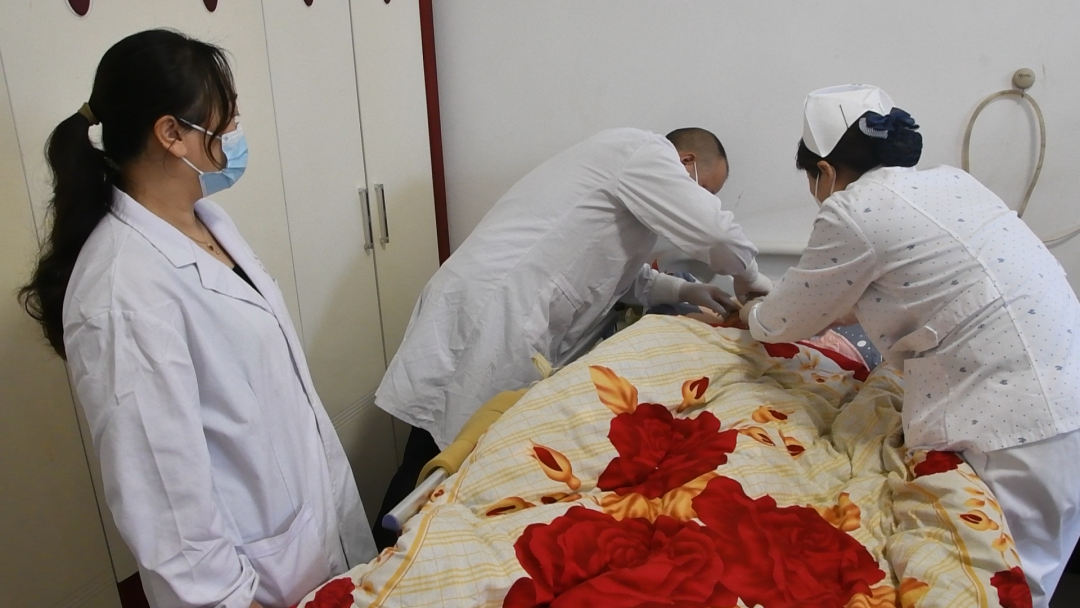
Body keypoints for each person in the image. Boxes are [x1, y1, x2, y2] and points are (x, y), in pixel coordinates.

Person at [18, 30, 375, 608]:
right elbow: (163, 500)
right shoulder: (121, 292)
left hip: (306, 539)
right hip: (245, 585)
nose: (235, 131)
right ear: (171, 133)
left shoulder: (207, 224)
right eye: (226, 118)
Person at [739, 84, 1080, 606]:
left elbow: (781, 321)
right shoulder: (953, 182)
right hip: (1065, 390)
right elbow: (899, 288)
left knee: (1000, 582)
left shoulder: (852, 210)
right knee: (1040, 569)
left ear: (824, 172)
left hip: (1016, 422)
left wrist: (747, 310)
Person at [373, 127, 771, 547]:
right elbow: (716, 236)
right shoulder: (645, 152)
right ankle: (381, 554)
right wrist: (750, 279)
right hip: (493, 309)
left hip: (506, 308)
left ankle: (396, 547)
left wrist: (686, 291)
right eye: (705, 191)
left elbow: (616, 274)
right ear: (686, 161)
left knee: (443, 453)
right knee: (437, 458)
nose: (702, 201)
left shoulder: (630, 185)